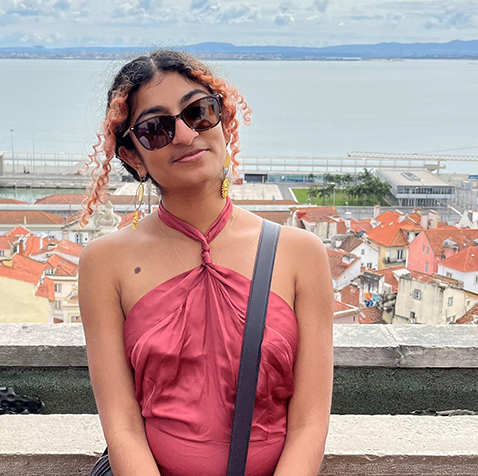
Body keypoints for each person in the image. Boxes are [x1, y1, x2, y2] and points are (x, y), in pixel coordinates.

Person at [78, 50, 334, 476]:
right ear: (133, 157)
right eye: (156, 128)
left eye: (198, 112)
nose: (184, 134)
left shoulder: (300, 254)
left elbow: (309, 423)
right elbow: (122, 425)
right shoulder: (106, 264)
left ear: (223, 120)